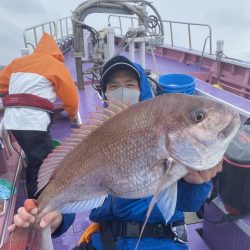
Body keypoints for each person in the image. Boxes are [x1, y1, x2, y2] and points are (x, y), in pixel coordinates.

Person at [8, 56, 221, 249]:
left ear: (142, 88)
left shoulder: (166, 133)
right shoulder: (100, 132)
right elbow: (83, 195)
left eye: (130, 84)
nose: (122, 90)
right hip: (107, 240)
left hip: (160, 241)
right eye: (114, 85)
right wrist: (55, 219)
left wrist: (198, 183)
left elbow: (187, 204)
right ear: (105, 92)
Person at [0, 32, 78, 199]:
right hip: (33, 123)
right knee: (42, 161)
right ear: (56, 53)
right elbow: (70, 96)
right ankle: (38, 198)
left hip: (12, 122)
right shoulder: (56, 66)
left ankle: (34, 190)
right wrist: (71, 115)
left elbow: (1, 85)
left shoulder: (17, 62)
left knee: (32, 153)